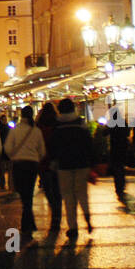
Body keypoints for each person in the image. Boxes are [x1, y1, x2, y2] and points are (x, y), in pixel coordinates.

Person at [47, 98, 94, 239]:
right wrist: (91, 161)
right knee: (82, 193)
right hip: (82, 164)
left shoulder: (58, 126)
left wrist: (54, 161)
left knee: (68, 196)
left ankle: (73, 227)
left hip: (64, 165)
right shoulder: (81, 124)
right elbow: (89, 144)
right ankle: (87, 217)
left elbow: (52, 147)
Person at [3, 106, 47, 237]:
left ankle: (26, 224)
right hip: (32, 165)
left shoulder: (15, 130)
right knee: (28, 194)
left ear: (21, 115)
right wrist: (36, 158)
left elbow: (7, 148)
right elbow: (42, 151)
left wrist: (14, 157)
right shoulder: (36, 131)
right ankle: (29, 224)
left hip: (19, 165)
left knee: (24, 196)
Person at [107, 111, 131, 201]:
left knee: (116, 167)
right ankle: (122, 184)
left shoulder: (112, 123)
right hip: (123, 147)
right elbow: (128, 133)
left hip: (115, 148)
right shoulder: (123, 122)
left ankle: (118, 186)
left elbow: (105, 132)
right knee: (121, 167)